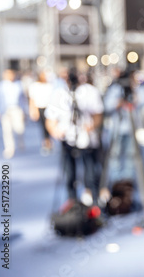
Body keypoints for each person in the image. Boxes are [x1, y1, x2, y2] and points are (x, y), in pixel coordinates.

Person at [45, 68, 104, 206]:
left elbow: (98, 114)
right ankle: (73, 203)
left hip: (87, 140)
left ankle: (94, 202)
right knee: (70, 175)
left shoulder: (90, 92)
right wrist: (55, 131)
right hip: (68, 140)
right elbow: (50, 119)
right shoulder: (59, 94)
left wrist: (91, 126)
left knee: (90, 173)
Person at [0, 69, 26, 159]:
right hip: (5, 110)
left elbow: (23, 99)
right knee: (7, 130)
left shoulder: (18, 85)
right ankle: (9, 148)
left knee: (19, 128)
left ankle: (20, 143)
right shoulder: (0, 86)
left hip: (16, 109)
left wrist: (25, 110)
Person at [28, 71, 54, 155]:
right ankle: (46, 143)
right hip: (40, 108)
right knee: (43, 126)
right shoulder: (35, 86)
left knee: (49, 126)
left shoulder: (50, 85)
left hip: (49, 108)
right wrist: (33, 110)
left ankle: (49, 142)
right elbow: (32, 99)